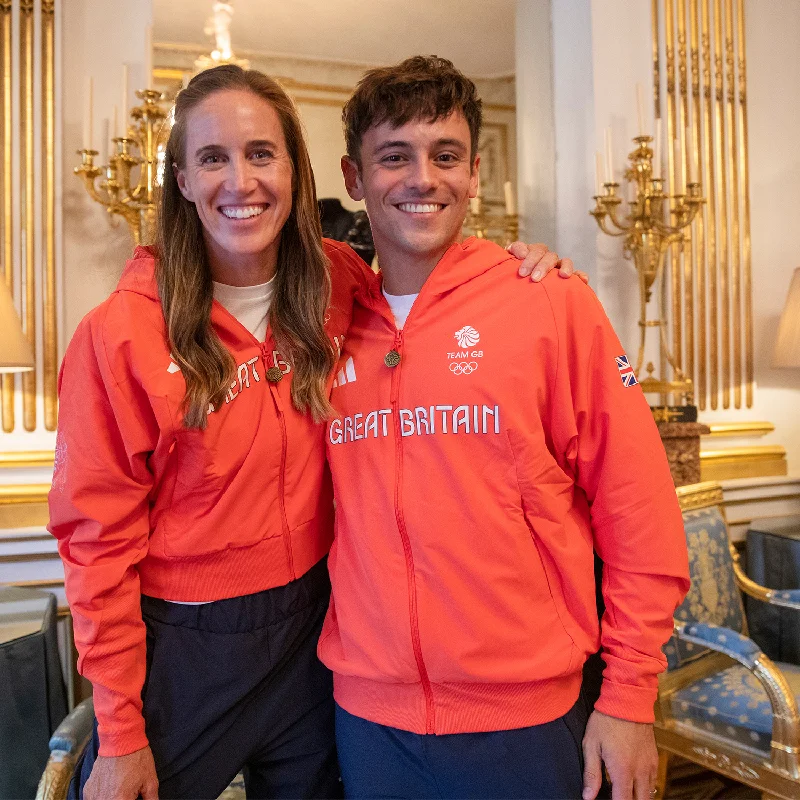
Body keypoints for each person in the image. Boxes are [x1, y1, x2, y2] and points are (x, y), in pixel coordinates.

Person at [48, 64, 569, 800]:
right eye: (212, 158)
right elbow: (94, 542)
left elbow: (428, 278)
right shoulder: (121, 333)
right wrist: (120, 729)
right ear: (183, 180)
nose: (241, 180)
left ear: (296, 168)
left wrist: (519, 264)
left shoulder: (336, 282)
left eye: (262, 153)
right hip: (185, 651)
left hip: (317, 634)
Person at [320, 56, 691, 800]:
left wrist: (627, 698)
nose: (423, 177)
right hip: (366, 721)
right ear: (354, 179)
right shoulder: (318, 323)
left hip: (525, 721)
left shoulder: (550, 301)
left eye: (445, 155)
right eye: (395, 156)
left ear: (476, 173)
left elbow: (639, 512)